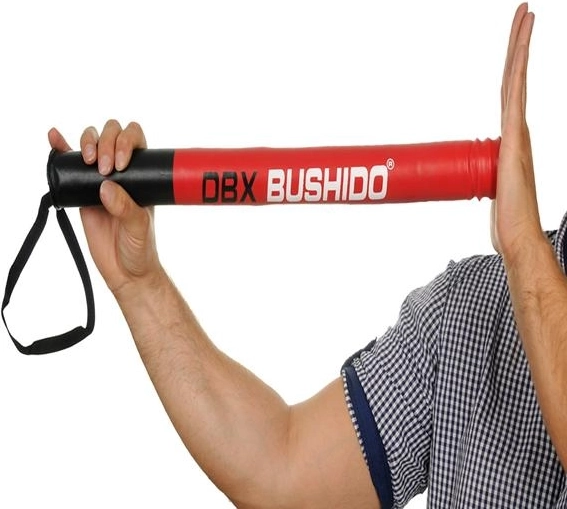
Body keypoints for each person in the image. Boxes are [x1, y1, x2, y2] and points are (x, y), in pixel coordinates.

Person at [46, 4, 566, 508]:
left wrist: (524, 247)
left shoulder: (519, 265)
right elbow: (280, 473)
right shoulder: (470, 309)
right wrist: (142, 286)